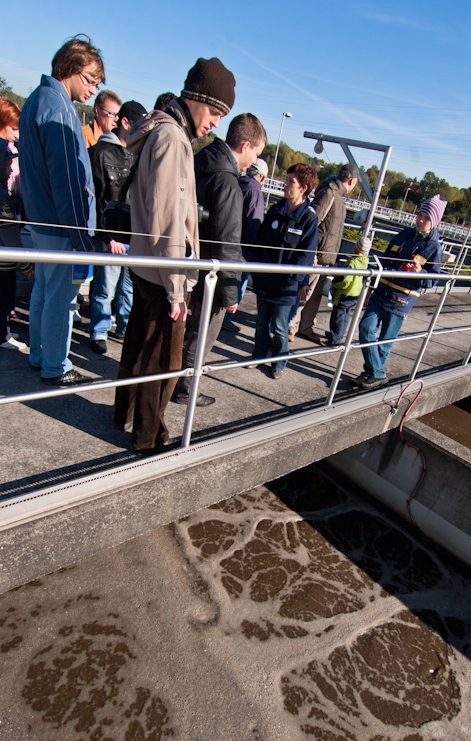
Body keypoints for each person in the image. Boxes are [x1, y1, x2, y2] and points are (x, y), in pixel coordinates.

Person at [114, 57, 236, 453]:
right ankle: (147, 439)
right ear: (198, 99)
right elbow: (168, 218)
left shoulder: (158, 131)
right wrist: (178, 291)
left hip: (146, 261)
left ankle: (124, 415)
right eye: (216, 111)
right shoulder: (172, 138)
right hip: (164, 269)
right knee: (164, 360)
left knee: (137, 346)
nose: (216, 122)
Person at [19, 35, 105, 386]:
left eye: (97, 83)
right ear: (67, 68)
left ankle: (40, 355)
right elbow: (67, 180)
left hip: (41, 221)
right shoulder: (58, 108)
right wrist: (80, 235)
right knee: (61, 300)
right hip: (60, 226)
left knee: (43, 290)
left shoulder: (37, 100)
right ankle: (56, 364)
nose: (93, 89)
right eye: (89, 79)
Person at [171, 112, 266, 407]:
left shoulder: (202, 162)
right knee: (203, 334)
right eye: (255, 154)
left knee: (187, 330)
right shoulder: (227, 183)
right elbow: (227, 242)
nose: (252, 162)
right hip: (209, 273)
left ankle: (175, 381)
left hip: (188, 262)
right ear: (245, 145)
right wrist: (230, 292)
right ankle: (185, 387)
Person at [352, 194, 447, 391]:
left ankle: (370, 374)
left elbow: (432, 280)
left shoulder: (433, 247)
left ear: (434, 222)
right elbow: (384, 261)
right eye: (420, 214)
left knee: (384, 343)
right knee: (365, 328)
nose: (420, 220)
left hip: (400, 300)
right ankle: (377, 373)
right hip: (380, 292)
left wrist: (420, 272)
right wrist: (370, 289)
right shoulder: (403, 235)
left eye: (426, 218)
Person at [88, 100, 147, 353]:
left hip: (131, 234)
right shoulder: (101, 152)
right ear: (125, 123)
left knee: (128, 287)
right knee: (105, 287)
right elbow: (98, 198)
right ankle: (99, 331)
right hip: (112, 235)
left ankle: (123, 326)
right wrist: (109, 235)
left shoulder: (137, 155)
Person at [251, 163, 318, 380]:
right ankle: (258, 355)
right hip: (265, 282)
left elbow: (305, 256)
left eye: (291, 181)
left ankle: (279, 362)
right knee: (261, 322)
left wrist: (296, 281)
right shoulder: (276, 210)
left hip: (285, 287)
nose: (285, 183)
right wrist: (256, 271)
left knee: (280, 327)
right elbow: (260, 243)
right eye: (286, 179)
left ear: (303, 188)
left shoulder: (308, 218)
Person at [291, 163, 359, 344]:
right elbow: (313, 221)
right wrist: (311, 251)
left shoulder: (337, 195)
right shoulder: (330, 193)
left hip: (326, 257)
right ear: (353, 181)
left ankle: (304, 327)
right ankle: (291, 327)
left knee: (315, 295)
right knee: (305, 292)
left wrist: (332, 258)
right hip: (318, 255)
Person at [221, 156, 268, 333]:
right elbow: (254, 223)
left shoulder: (237, 183)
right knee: (237, 282)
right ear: (262, 177)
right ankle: (226, 317)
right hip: (243, 246)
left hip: (228, 239)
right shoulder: (255, 191)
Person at [0, 142, 32, 350]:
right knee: (3, 299)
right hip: (4, 264)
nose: (12, 170)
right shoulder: (1, 195)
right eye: (7, 165)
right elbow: (9, 234)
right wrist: (26, 265)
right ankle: (3, 336)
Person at [325, 236, 371, 346]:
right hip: (355, 293)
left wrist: (335, 283)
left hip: (345, 293)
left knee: (338, 317)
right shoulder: (364, 262)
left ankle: (334, 339)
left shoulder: (353, 262)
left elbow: (345, 280)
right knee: (345, 316)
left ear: (356, 247)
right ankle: (338, 335)